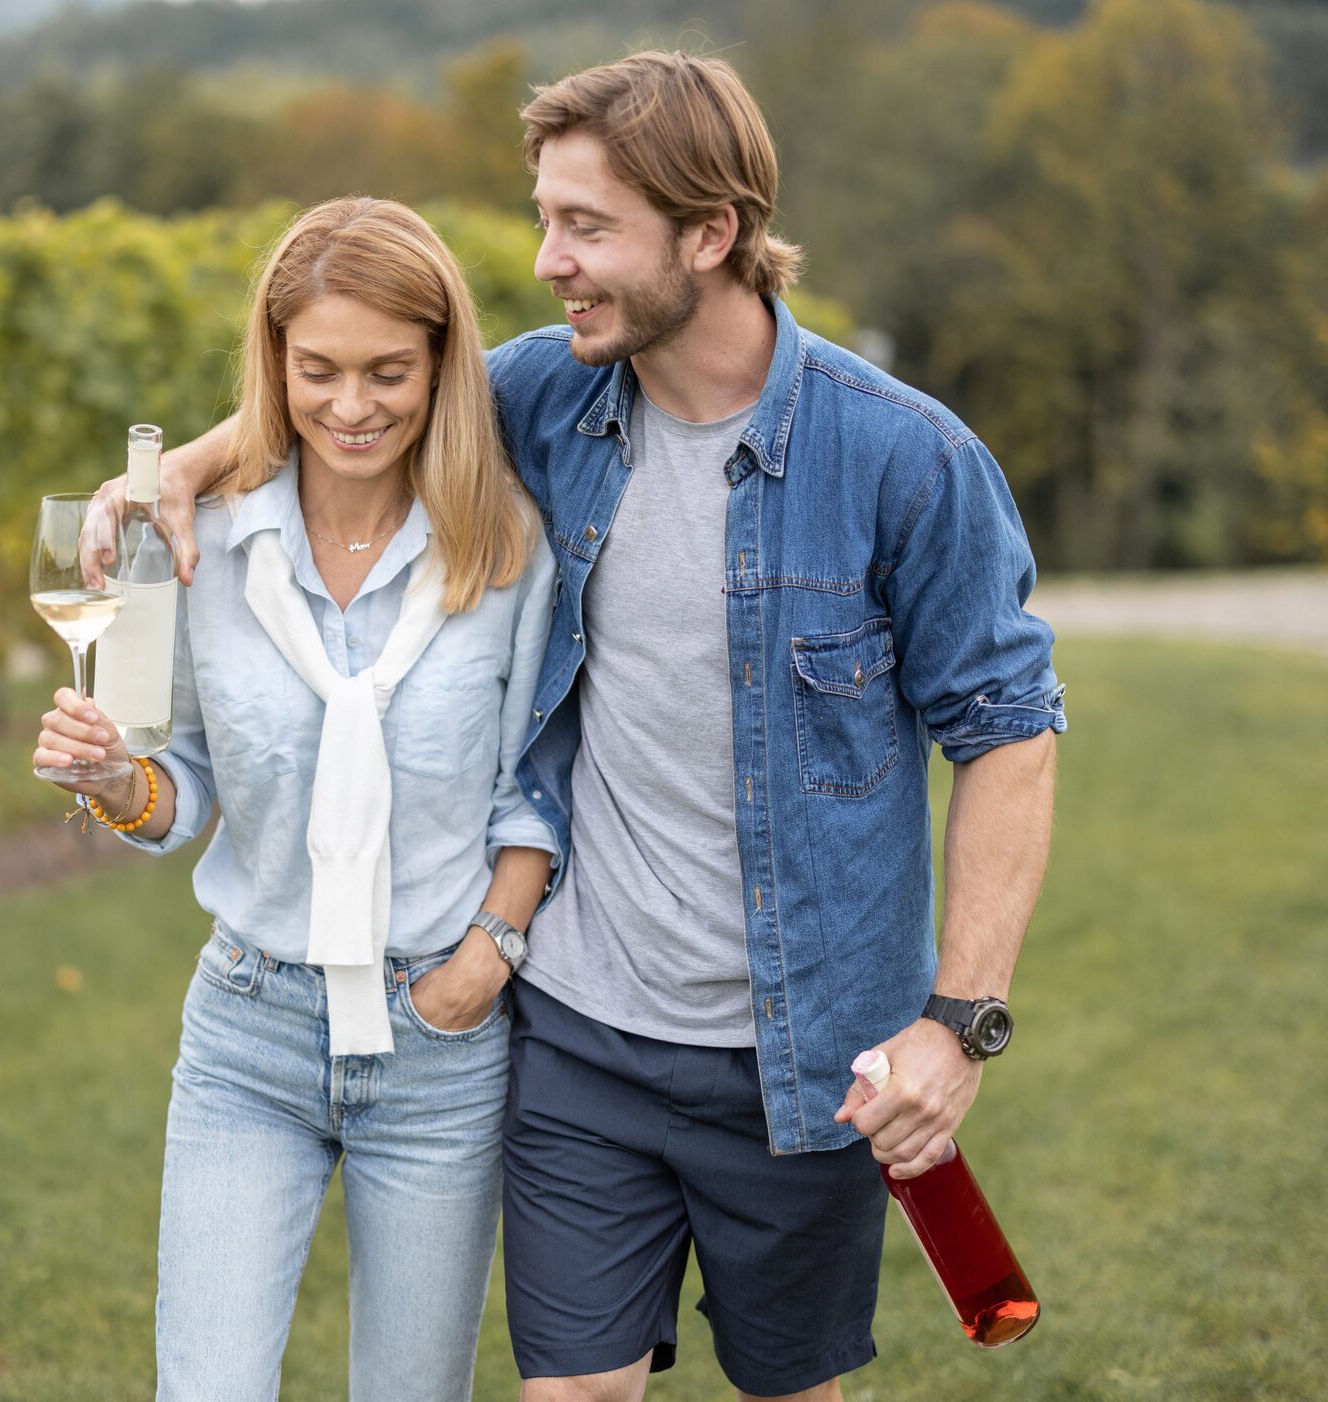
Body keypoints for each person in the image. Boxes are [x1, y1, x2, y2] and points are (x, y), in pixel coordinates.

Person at [91, 51, 1066, 1402]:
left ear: (709, 234)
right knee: (572, 1392)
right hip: (580, 1034)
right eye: (546, 217)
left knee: (790, 1391)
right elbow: (343, 396)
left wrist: (957, 1021)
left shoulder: (904, 460)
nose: (548, 260)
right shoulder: (548, 397)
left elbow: (1009, 732)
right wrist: (186, 469)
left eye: (586, 226)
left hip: (800, 1055)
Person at [34, 197, 556, 1402]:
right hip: (246, 1033)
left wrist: (486, 952)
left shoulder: (506, 549)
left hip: (439, 1043)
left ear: (440, 366)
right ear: (272, 367)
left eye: (388, 371)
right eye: (316, 370)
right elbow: (182, 789)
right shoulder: (198, 542)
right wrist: (117, 778)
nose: (352, 405)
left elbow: (536, 785)